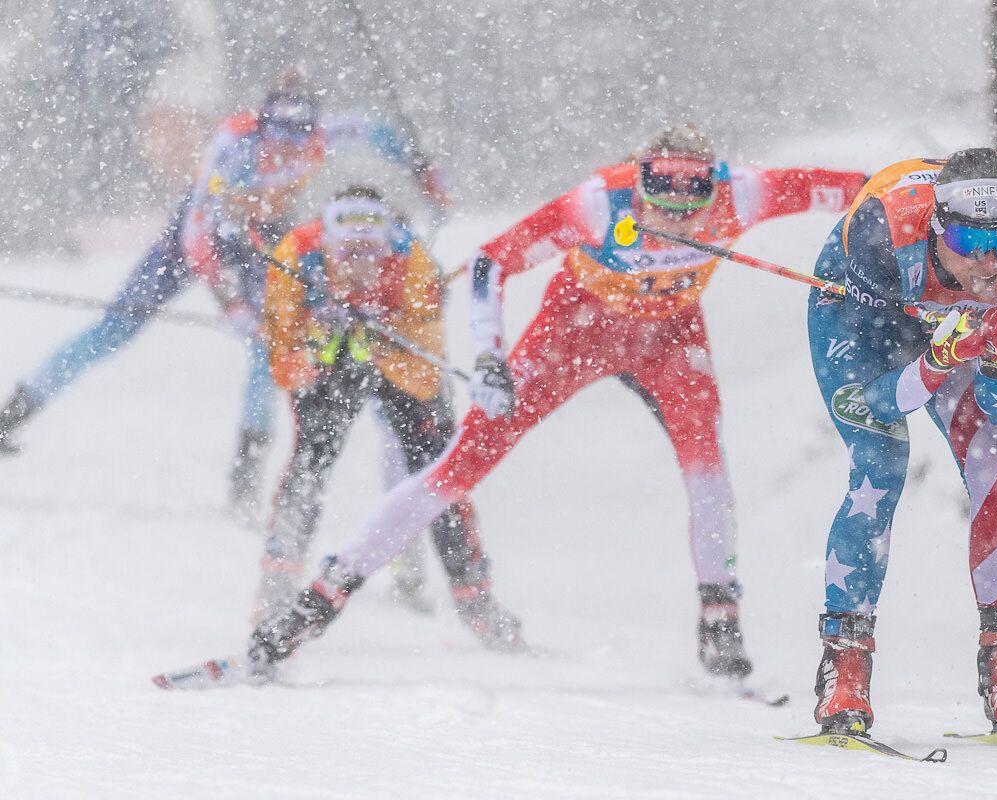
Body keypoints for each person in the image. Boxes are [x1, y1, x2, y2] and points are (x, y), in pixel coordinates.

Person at [233, 123, 866, 681]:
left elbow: (857, 188)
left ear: (716, 181)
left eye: (693, 192)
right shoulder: (598, 203)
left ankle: (719, 624)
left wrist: (932, 189)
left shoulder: (745, 193)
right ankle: (316, 603)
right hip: (576, 329)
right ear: (637, 179)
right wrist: (488, 355)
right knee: (459, 467)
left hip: (670, 337)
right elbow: (489, 264)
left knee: (708, 467)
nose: (675, 209)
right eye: (659, 189)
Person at [0, 68, 450, 519]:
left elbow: (376, 132)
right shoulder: (233, 143)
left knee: (266, 344)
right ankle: (12, 415)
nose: (285, 146)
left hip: (259, 242)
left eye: (298, 135)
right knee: (115, 328)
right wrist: (231, 301)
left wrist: (422, 170)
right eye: (277, 132)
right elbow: (197, 237)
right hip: (198, 238)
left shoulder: (321, 138)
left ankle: (245, 477)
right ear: (262, 124)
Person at [804, 148, 997, 734]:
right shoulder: (882, 237)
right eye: (969, 242)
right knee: (880, 459)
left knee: (995, 461)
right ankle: (843, 669)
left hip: (953, 329)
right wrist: (937, 360)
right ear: (936, 227)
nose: (986, 263)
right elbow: (872, 401)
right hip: (864, 315)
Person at [257, 186, 521, 648]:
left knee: (441, 471)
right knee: (310, 461)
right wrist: (321, 344)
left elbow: (425, 372)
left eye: (371, 253)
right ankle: (275, 590)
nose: (360, 265)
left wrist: (380, 337)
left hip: (398, 364)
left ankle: (475, 599)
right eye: (348, 253)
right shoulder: (295, 254)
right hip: (331, 366)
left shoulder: (411, 260)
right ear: (327, 243)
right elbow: (284, 361)